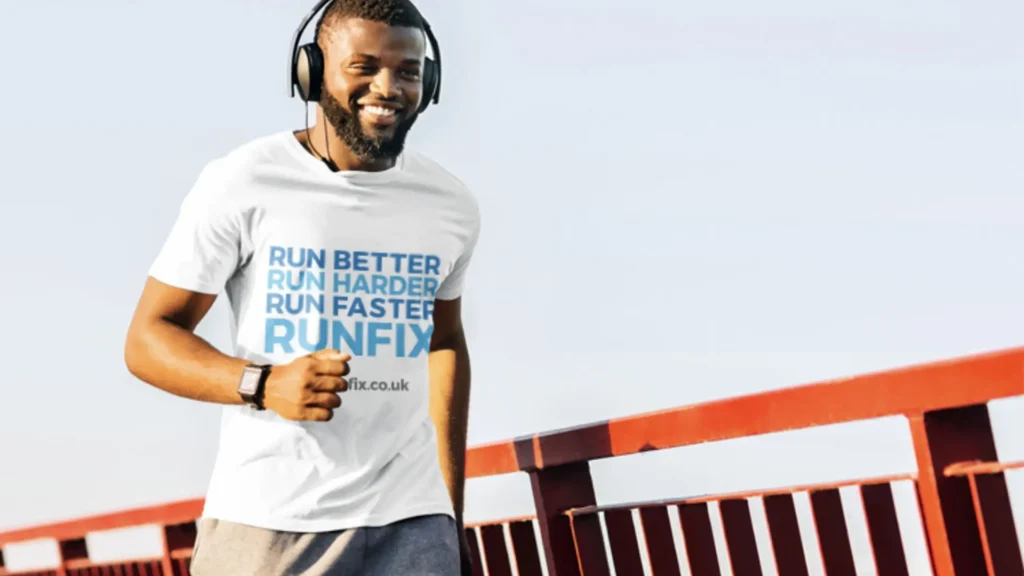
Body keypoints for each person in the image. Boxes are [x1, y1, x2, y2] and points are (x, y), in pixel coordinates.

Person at [123, 0, 480, 574]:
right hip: (270, 523)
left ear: (429, 81)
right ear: (311, 73)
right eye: (363, 67)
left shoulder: (452, 205)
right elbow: (147, 339)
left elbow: (444, 342)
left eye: (408, 71)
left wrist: (446, 511)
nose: (387, 87)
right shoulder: (244, 181)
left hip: (413, 526)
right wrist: (263, 385)